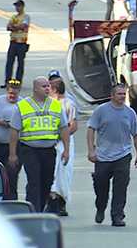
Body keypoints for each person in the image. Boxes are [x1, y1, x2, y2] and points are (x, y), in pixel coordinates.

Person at [8, 77, 70, 212]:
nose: (47, 88)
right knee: (34, 181)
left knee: (47, 182)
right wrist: (12, 154)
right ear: (35, 88)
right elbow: (14, 130)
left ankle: (40, 208)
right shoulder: (23, 106)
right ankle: (33, 211)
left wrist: (66, 150)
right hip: (29, 149)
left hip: (49, 150)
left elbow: (64, 128)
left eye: (48, 86)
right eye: (43, 86)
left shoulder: (56, 105)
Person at [87, 84, 137, 227]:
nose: (122, 97)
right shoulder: (101, 111)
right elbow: (91, 129)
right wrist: (91, 150)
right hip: (103, 156)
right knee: (101, 186)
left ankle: (117, 216)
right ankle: (100, 208)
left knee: (120, 188)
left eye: (124, 94)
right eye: (119, 94)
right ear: (112, 96)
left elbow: (136, 134)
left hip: (123, 155)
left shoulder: (130, 113)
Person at [48, 80, 78, 217]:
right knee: (51, 170)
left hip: (64, 142)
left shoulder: (68, 104)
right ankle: (50, 201)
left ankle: (62, 202)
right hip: (49, 141)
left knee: (64, 172)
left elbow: (73, 125)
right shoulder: (46, 103)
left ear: (54, 89)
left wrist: (63, 136)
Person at [3, 0, 30, 88]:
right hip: (13, 42)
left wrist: (14, 27)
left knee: (20, 63)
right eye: (16, 6)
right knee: (9, 62)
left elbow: (24, 26)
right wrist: (16, 27)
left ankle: (18, 81)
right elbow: (8, 27)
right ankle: (8, 81)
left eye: (19, 6)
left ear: (22, 6)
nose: (17, 8)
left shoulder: (26, 17)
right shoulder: (14, 17)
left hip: (22, 43)